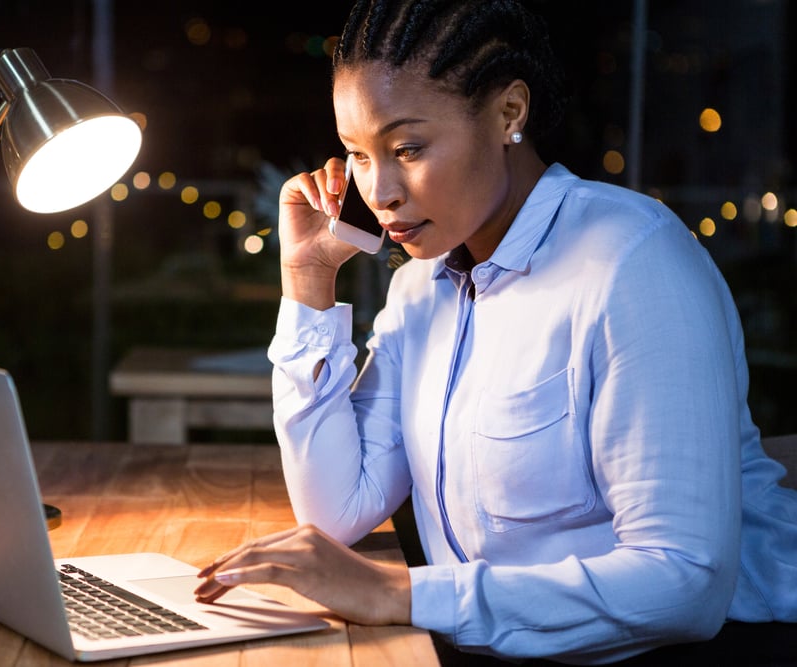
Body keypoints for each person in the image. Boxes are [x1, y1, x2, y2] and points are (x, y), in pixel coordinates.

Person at [192, 1, 797, 664]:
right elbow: (336, 510)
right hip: (504, 652)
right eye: (358, 156)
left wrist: (402, 592)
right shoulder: (421, 288)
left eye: (408, 148)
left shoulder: (635, 264)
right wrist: (306, 283)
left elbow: (685, 584)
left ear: (510, 113)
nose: (381, 191)